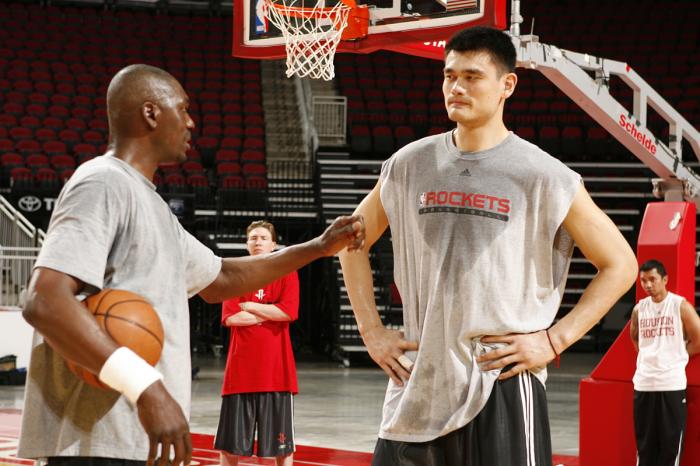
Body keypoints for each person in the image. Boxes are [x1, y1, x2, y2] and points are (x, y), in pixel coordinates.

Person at [17, 64, 364, 466]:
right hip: (98, 444)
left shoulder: (153, 206)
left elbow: (223, 278)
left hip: (134, 440)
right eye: (182, 109)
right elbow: (45, 301)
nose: (191, 122)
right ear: (151, 113)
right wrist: (147, 388)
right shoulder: (102, 182)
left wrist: (318, 247)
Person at [338, 26, 638, 465]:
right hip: (419, 380)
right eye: (449, 75)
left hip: (501, 381)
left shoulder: (545, 175)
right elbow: (350, 240)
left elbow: (621, 264)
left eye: (472, 77)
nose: (456, 87)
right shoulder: (409, 164)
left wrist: (555, 340)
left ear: (507, 85)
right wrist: (371, 331)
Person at [215, 220, 299, 466]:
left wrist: (251, 306)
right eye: (253, 238)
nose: (258, 242)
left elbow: (289, 312)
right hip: (240, 371)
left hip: (276, 372)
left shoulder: (287, 272)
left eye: (263, 238)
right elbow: (231, 318)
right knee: (229, 445)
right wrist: (271, 311)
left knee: (283, 446)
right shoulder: (236, 275)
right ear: (247, 244)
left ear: (274, 244)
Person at [629, 259, 700, 466]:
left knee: (670, 448)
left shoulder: (680, 305)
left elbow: (698, 339)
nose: (648, 285)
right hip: (644, 384)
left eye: (652, 279)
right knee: (645, 448)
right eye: (643, 281)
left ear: (665, 279)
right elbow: (636, 340)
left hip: (671, 384)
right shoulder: (639, 309)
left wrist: (677, 354)